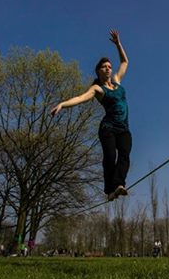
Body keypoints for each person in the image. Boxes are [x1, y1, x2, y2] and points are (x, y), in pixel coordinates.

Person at [51, 29, 131, 201]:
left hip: (124, 128)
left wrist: (118, 44)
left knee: (124, 155)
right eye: (105, 67)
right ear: (99, 71)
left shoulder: (117, 81)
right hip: (108, 128)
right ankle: (109, 190)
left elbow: (125, 62)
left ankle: (118, 185)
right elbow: (80, 98)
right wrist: (62, 104)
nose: (109, 69)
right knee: (110, 157)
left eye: (110, 66)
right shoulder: (97, 89)